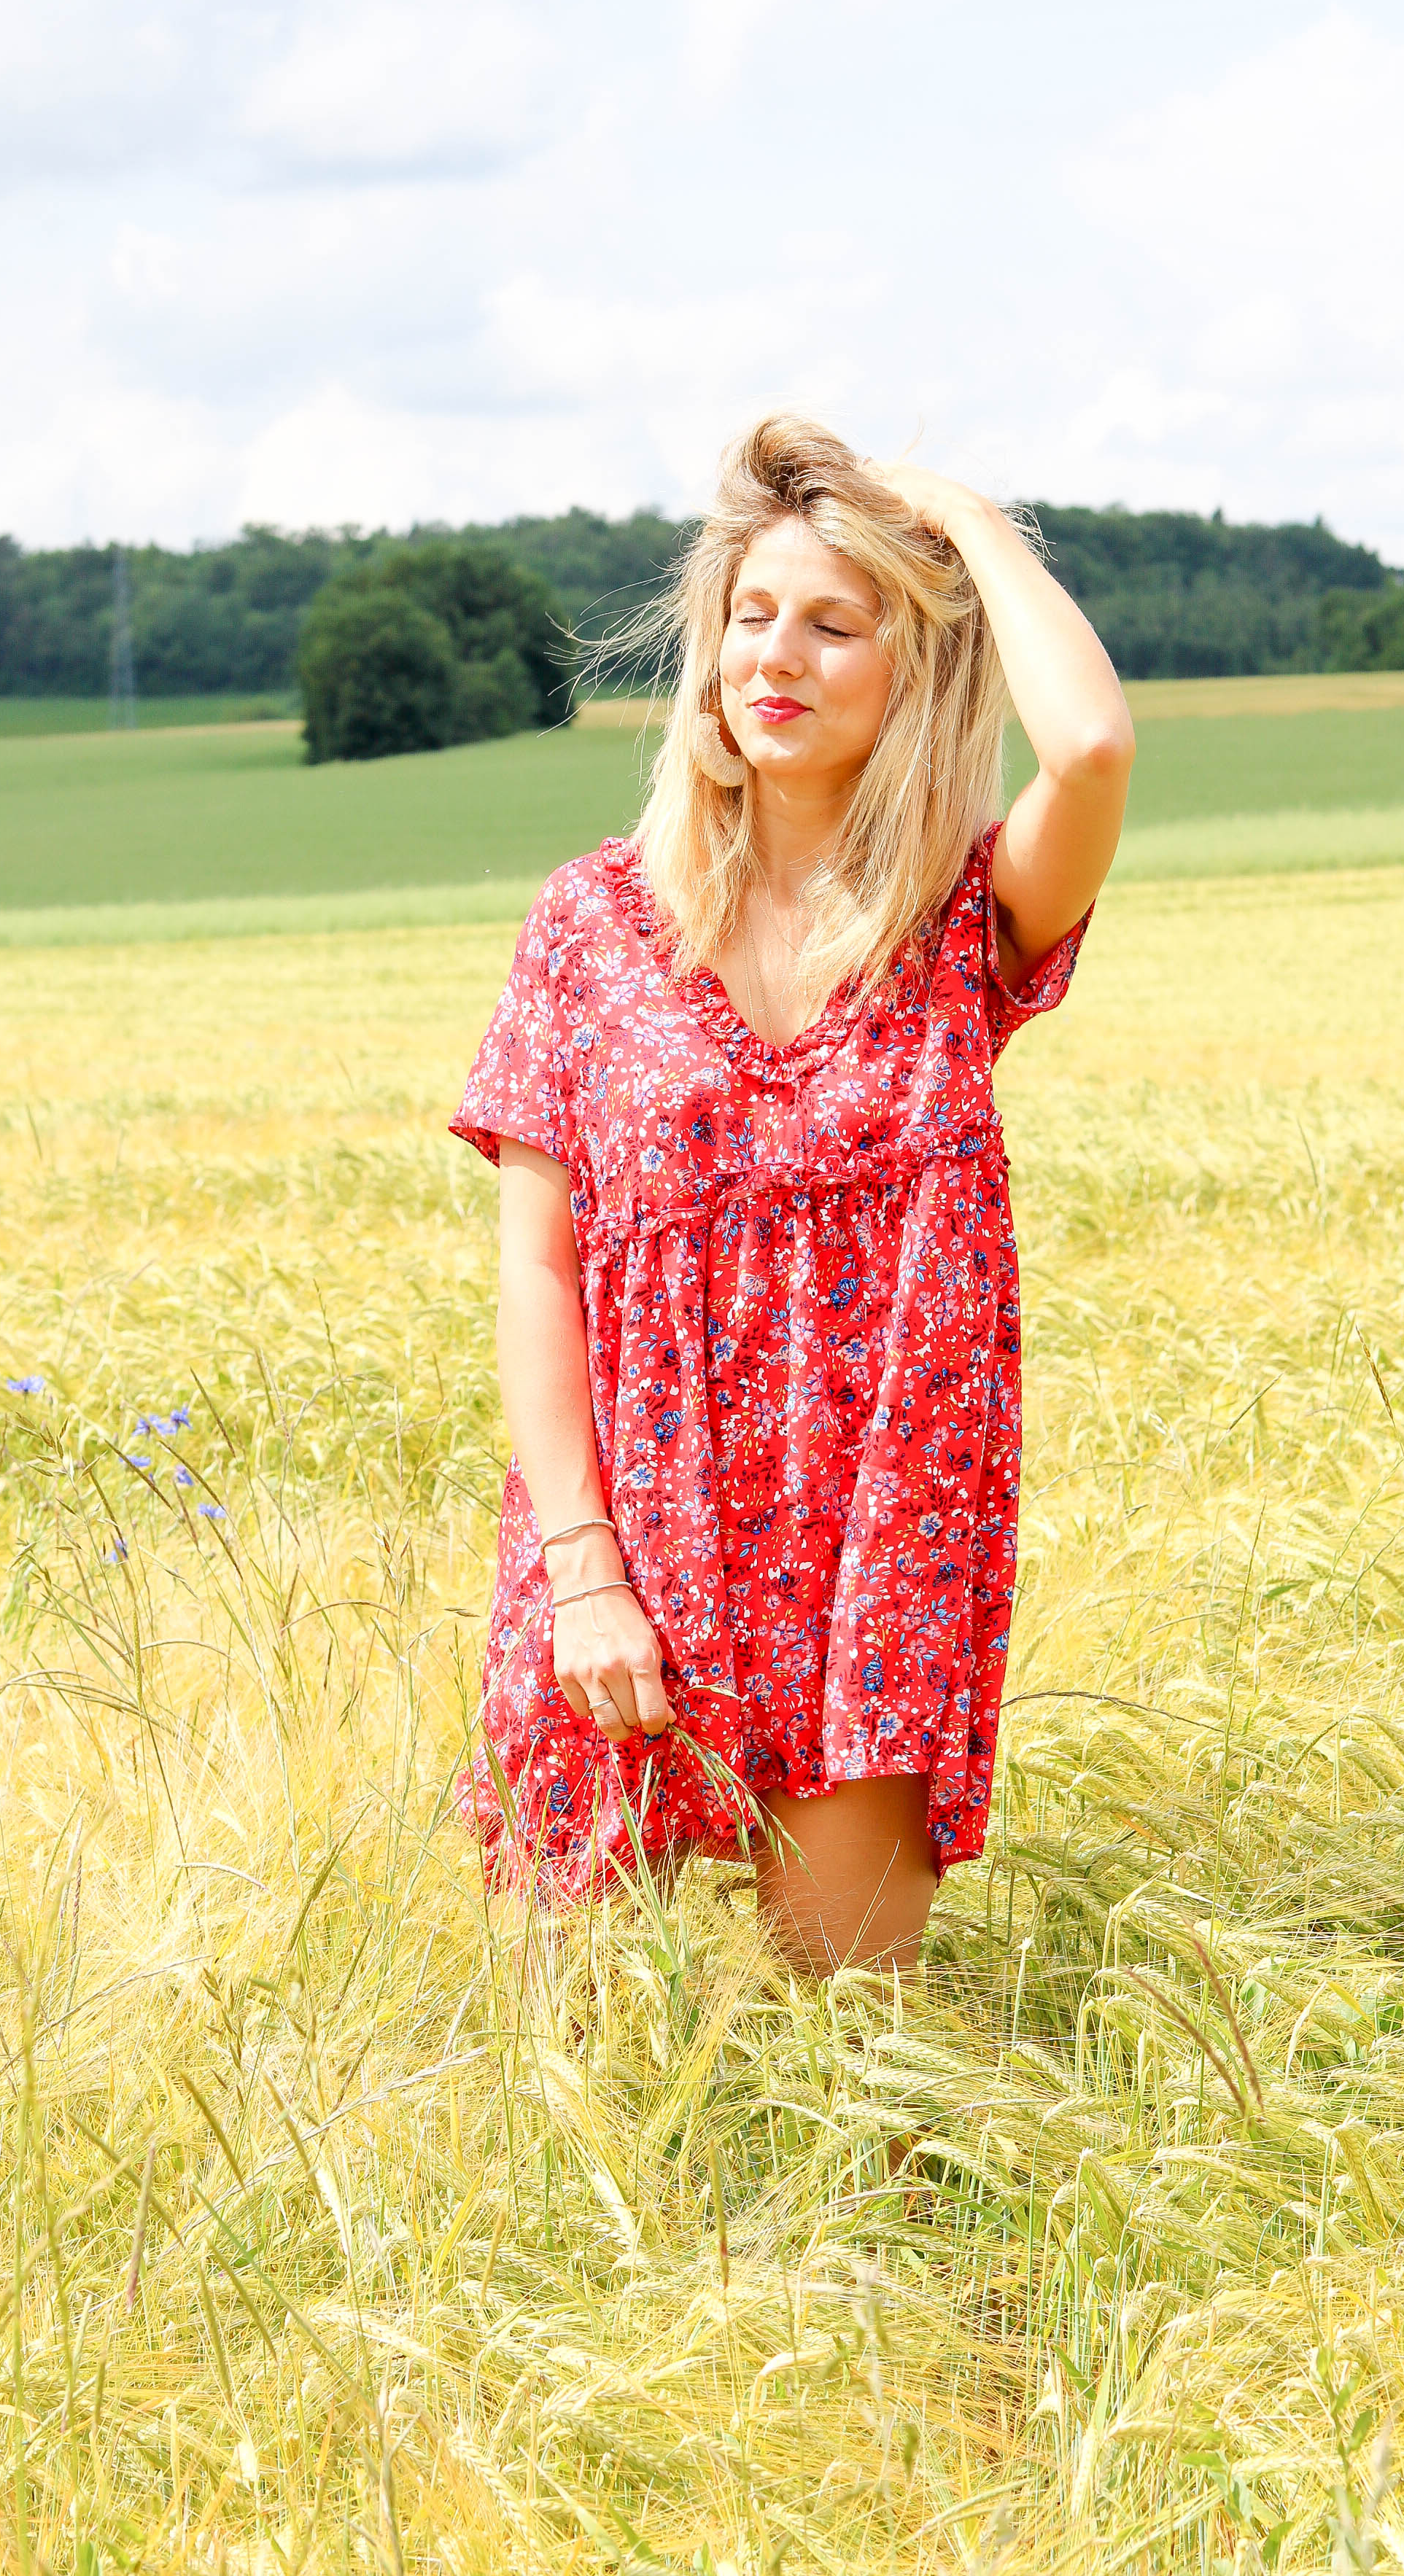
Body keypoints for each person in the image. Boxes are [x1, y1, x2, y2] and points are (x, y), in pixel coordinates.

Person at [450, 414, 1133, 1973]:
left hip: (874, 1562)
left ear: (913, 672)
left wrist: (966, 521)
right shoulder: (588, 926)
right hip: (628, 1545)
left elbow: (1091, 750)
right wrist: (579, 1569)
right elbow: (538, 1271)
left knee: (847, 2040)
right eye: (751, 615)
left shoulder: (964, 921)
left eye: (835, 624)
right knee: (580, 2045)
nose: (778, 654)